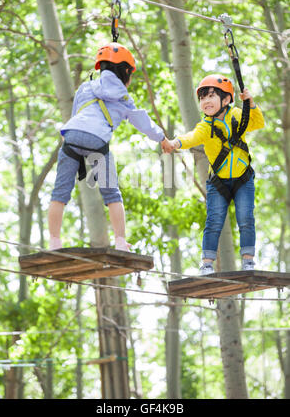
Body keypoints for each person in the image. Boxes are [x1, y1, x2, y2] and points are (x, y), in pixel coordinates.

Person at [48, 42, 170, 251]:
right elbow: (142, 122)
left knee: (59, 193)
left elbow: (76, 111)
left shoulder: (86, 87)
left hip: (73, 136)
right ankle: (121, 241)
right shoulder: (124, 98)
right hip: (98, 141)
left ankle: (54, 242)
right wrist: (162, 138)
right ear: (125, 73)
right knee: (112, 194)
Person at [162, 74, 265, 274]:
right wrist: (175, 143)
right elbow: (191, 137)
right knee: (214, 221)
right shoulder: (206, 126)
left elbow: (258, 123)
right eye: (202, 98)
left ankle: (248, 261)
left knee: (246, 219)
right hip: (218, 182)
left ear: (226, 100)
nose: (206, 101)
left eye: (211, 96)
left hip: (243, 178)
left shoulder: (237, 115)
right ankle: (207, 264)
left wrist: (250, 104)